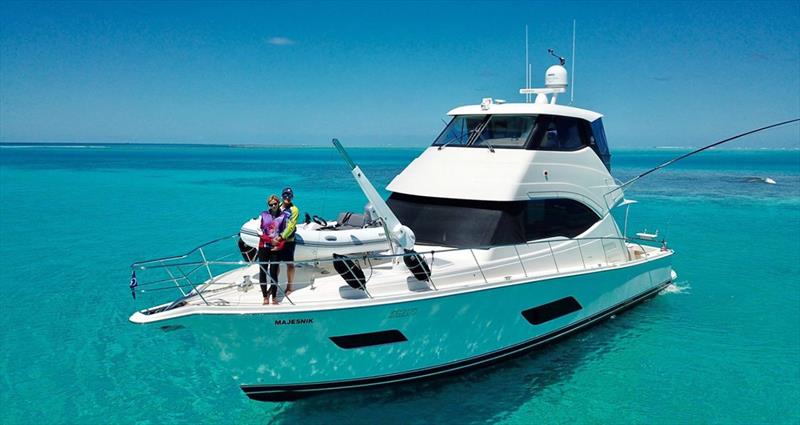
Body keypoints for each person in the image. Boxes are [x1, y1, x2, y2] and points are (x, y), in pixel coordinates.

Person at [257, 195, 287, 305]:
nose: (273, 206)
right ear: (268, 205)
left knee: (274, 272)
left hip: (276, 248)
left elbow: (285, 233)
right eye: (271, 204)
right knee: (263, 271)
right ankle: (265, 296)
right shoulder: (263, 215)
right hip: (263, 247)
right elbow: (259, 231)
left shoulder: (284, 216)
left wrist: (280, 244)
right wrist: (270, 240)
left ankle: (274, 297)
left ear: (278, 203)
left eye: (275, 203)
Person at [276, 187, 299, 295]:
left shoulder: (294, 210)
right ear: (282, 196)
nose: (287, 197)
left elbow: (291, 226)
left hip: (288, 240)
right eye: (285, 195)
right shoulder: (277, 206)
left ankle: (289, 287)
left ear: (292, 197)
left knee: (289, 264)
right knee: (275, 263)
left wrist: (282, 237)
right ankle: (274, 285)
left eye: (289, 196)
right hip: (276, 239)